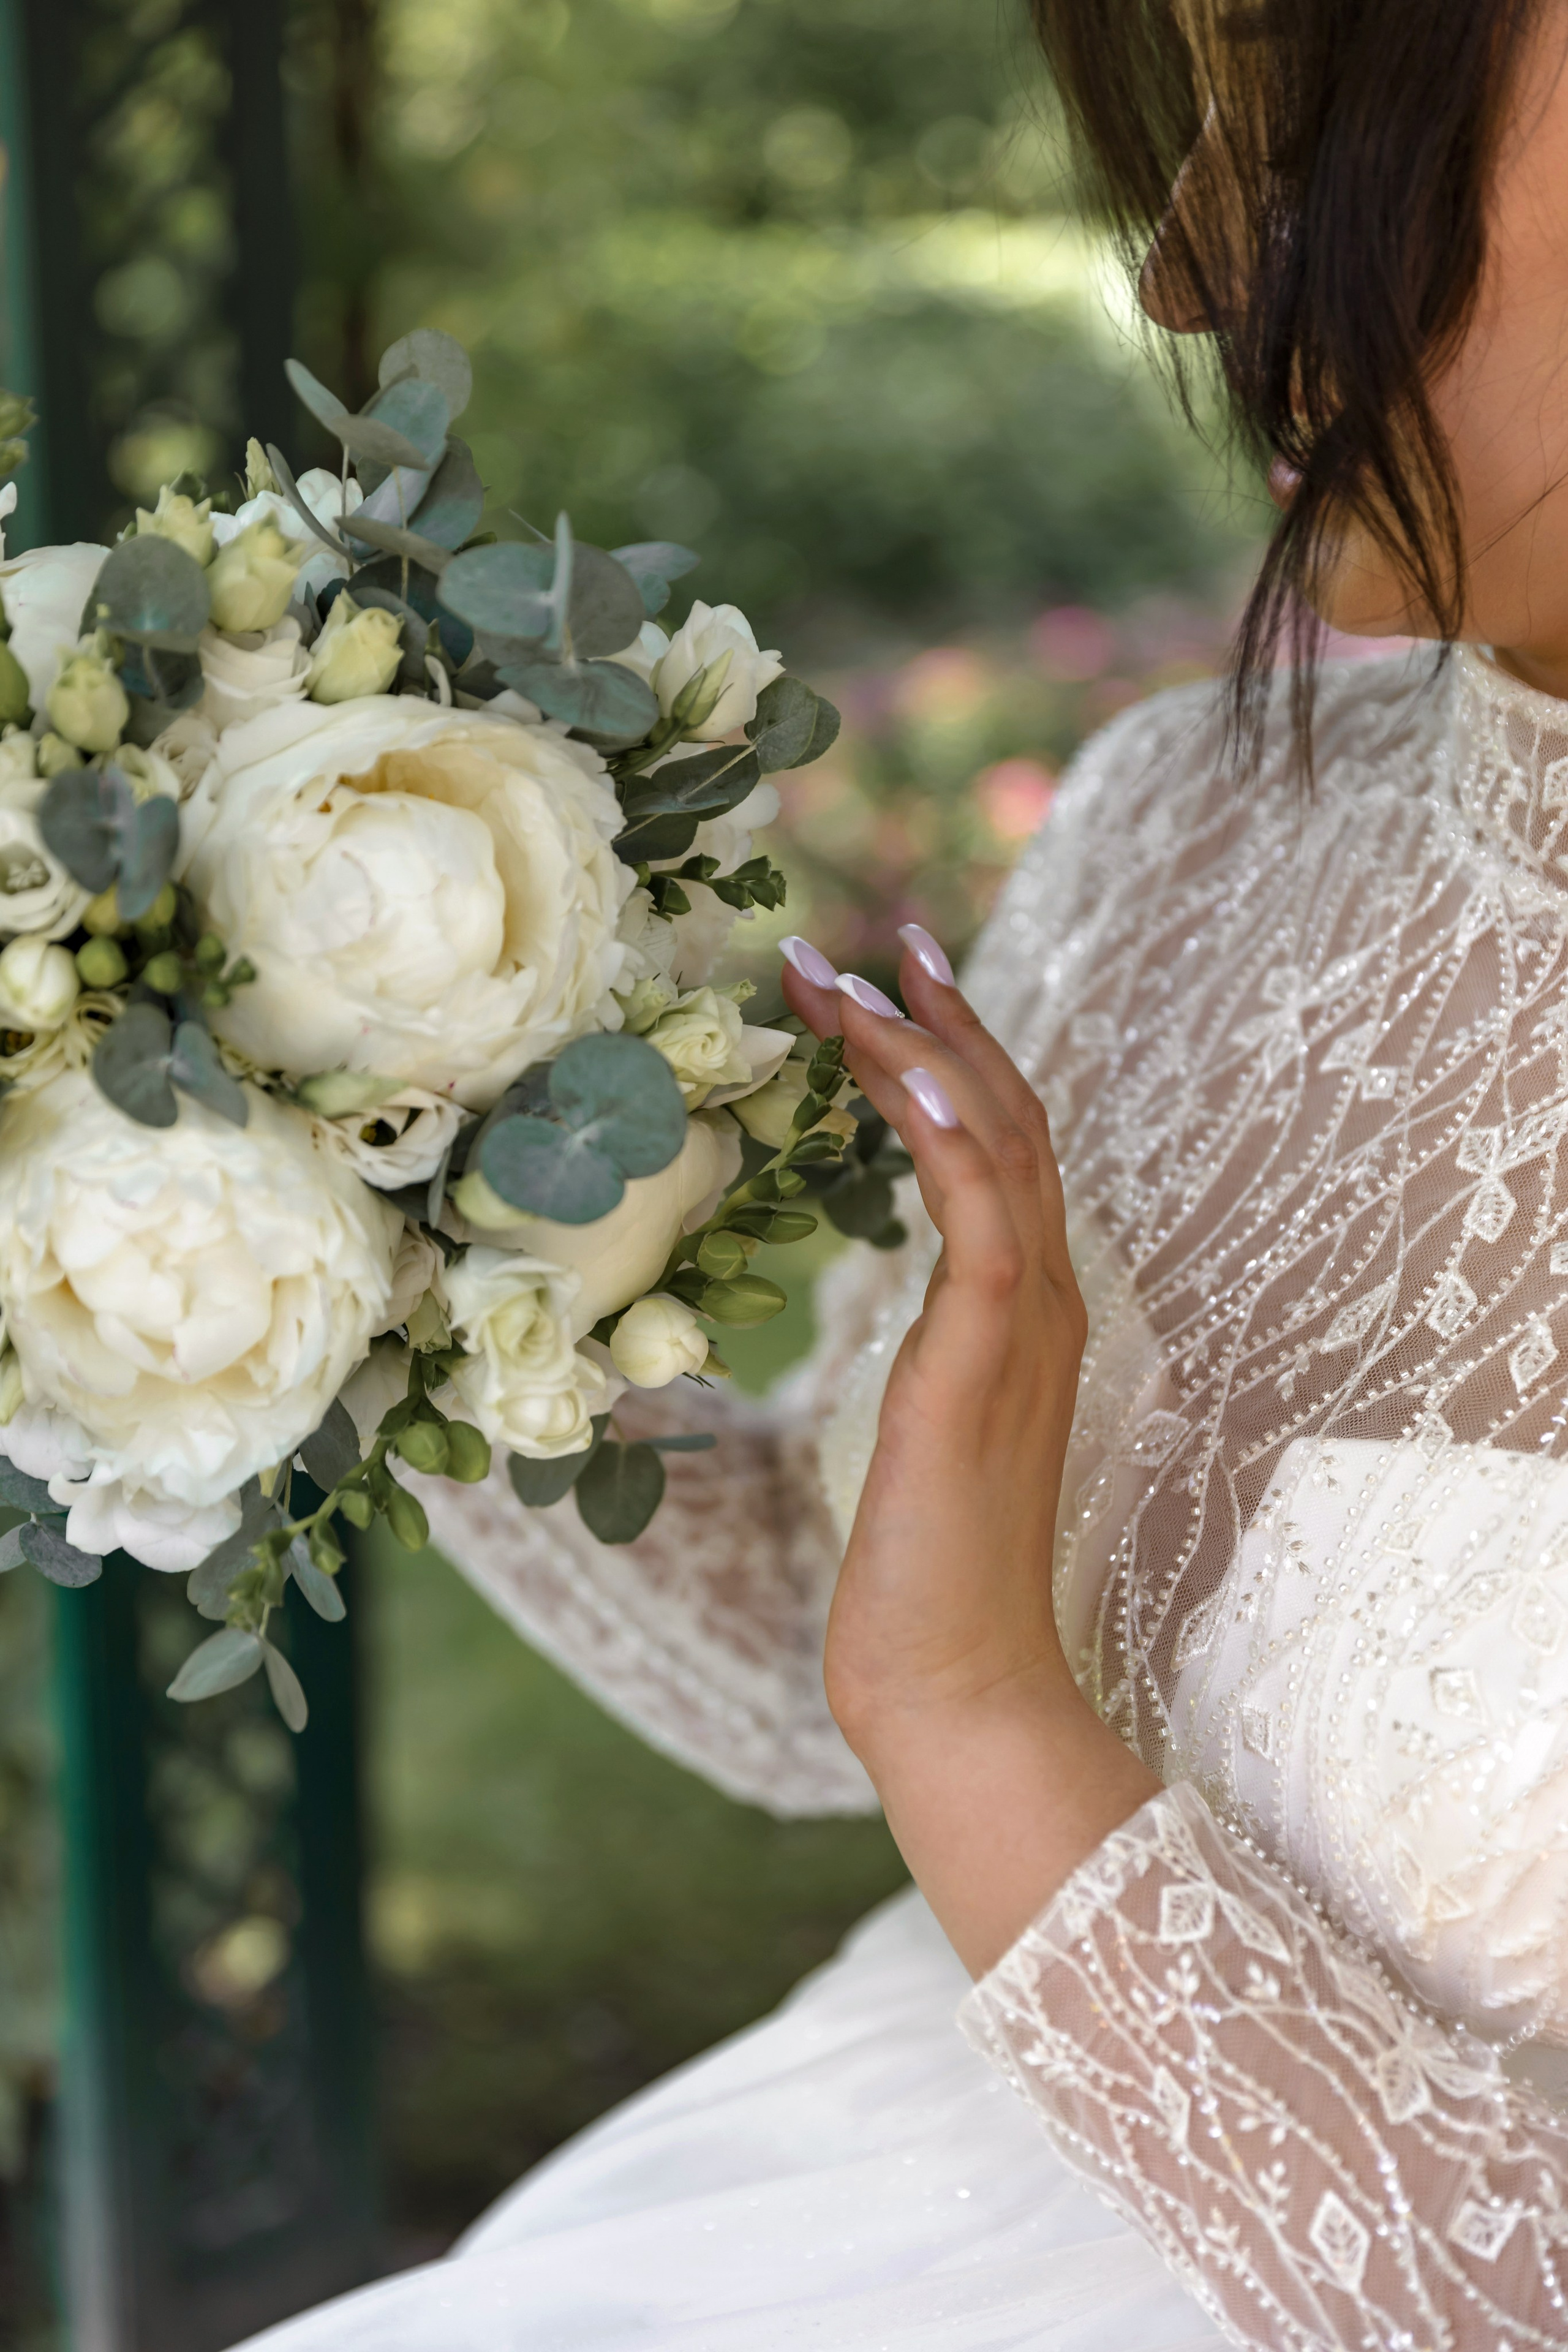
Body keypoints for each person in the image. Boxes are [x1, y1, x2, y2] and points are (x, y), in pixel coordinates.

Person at [238, 1, 1568, 2344]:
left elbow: (929, 1682)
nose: (1181, 271)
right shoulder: (1194, 821)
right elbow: (810, 1649)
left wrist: (979, 1719)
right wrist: (330, 1160)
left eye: (1320, 114)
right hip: (814, 2195)